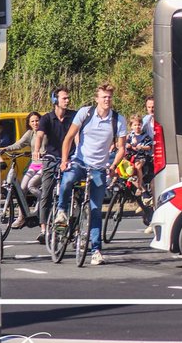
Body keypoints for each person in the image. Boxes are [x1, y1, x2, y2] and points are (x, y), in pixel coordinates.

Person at [55, 83, 128, 266]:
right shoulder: (85, 113)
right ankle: (62, 210)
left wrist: (113, 165)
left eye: (110, 97)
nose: (107, 100)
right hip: (80, 160)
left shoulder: (118, 120)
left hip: (99, 167)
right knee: (68, 179)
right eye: (104, 97)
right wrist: (65, 160)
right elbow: (69, 138)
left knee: (95, 209)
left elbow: (121, 148)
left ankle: (96, 250)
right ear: (97, 99)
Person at [33, 88, 75, 244]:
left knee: (72, 191)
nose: (67, 100)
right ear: (55, 100)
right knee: (46, 193)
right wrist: (37, 151)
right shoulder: (47, 118)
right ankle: (44, 229)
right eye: (64, 98)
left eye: (68, 98)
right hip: (51, 158)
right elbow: (39, 135)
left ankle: (72, 226)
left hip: (69, 158)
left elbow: (77, 135)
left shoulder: (73, 116)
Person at [2, 111, 41, 229]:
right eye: (32, 121)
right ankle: (22, 217)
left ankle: (43, 203)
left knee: (31, 185)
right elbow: (19, 144)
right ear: (29, 123)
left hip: (45, 164)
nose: (35, 123)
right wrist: (5, 149)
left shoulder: (44, 132)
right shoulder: (30, 134)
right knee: (22, 188)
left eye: (37, 120)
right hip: (34, 165)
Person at [125, 113, 153, 196]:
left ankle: (140, 186)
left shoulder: (145, 136)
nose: (137, 127)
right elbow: (125, 144)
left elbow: (149, 146)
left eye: (139, 125)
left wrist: (141, 147)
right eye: (135, 125)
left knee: (138, 166)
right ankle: (114, 182)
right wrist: (128, 145)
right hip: (131, 156)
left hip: (142, 156)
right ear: (131, 126)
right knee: (122, 167)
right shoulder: (130, 136)